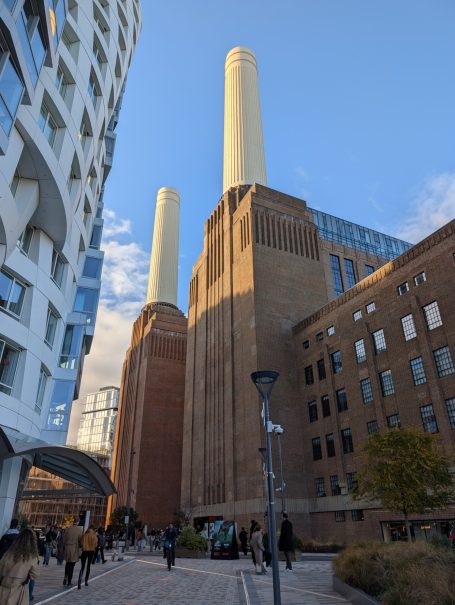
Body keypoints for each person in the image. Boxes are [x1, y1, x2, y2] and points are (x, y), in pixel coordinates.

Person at [0, 528, 39, 605]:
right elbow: (35, 575)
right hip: (19, 590)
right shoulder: (31, 557)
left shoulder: (8, 553)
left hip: (3, 588)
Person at [62, 520, 82, 587]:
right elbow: (81, 541)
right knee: (72, 565)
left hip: (67, 548)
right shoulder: (79, 530)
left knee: (67, 564)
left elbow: (63, 540)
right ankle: (69, 581)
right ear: (77, 523)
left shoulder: (68, 529)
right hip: (74, 548)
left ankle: (65, 577)